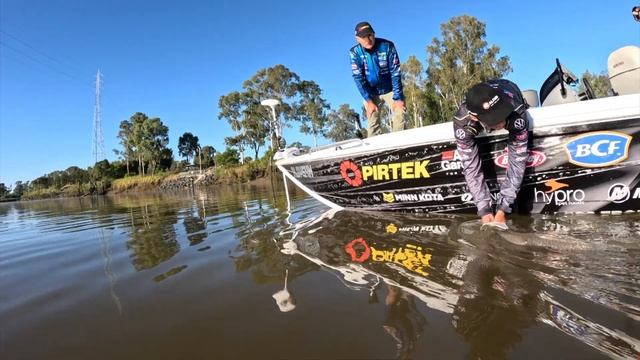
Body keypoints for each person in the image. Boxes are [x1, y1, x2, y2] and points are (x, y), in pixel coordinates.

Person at [453, 79, 529, 225]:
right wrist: (484, 210)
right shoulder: (462, 122)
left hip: (508, 88)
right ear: (474, 117)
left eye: (501, 112)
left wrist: (503, 208)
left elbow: (517, 161)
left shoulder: (516, 110)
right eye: (494, 118)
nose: (501, 121)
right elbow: (471, 168)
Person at [349, 21, 406, 137]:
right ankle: (374, 149)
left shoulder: (387, 46)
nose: (367, 39)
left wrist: (398, 98)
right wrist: (369, 101)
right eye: (363, 37)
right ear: (357, 39)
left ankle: (399, 142)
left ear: (374, 34)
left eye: (369, 35)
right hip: (371, 92)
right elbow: (358, 78)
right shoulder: (354, 53)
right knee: (372, 119)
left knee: (400, 112)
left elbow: (395, 72)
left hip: (390, 89)